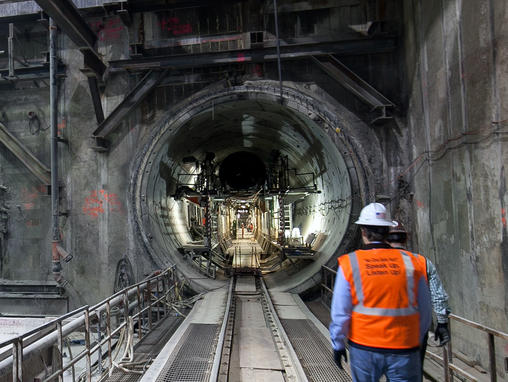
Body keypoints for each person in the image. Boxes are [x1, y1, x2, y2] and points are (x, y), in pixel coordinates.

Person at [329, 203, 432, 382]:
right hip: (404, 347)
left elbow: (340, 311)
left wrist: (337, 343)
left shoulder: (350, 263)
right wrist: (415, 340)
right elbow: (425, 311)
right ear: (387, 231)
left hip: (364, 347)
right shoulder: (411, 262)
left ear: (363, 231)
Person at [386, 222, 451, 370]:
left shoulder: (379, 263)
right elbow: (438, 294)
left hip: (387, 329)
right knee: (414, 372)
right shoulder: (422, 262)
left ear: (385, 239)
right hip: (416, 329)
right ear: (406, 239)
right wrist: (442, 324)